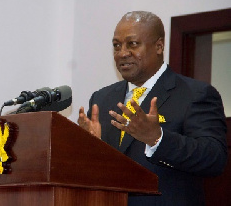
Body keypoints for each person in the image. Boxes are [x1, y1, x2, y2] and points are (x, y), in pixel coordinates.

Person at [78, 11, 228, 206]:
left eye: (132, 44)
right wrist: (87, 148)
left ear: (159, 46)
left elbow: (214, 160)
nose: (122, 53)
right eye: (116, 45)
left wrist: (158, 139)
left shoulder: (195, 94)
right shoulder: (102, 98)